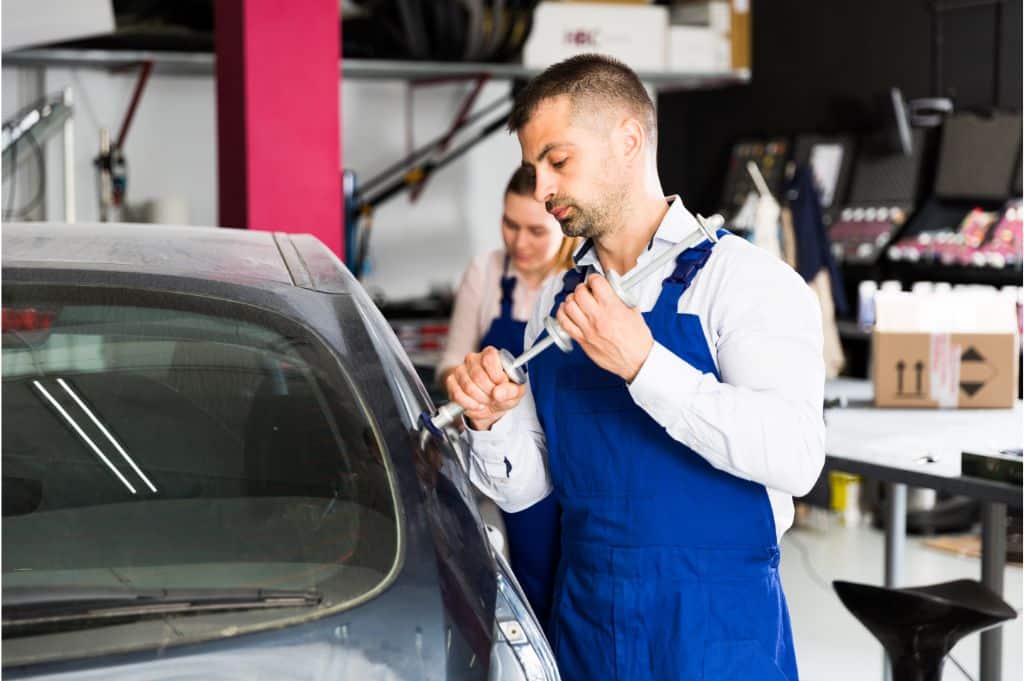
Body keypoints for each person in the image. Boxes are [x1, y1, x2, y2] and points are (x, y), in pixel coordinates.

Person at [444, 54, 825, 681]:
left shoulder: (746, 283)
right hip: (588, 621)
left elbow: (796, 457)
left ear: (628, 140)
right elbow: (530, 486)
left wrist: (645, 364)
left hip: (714, 629)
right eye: (533, 170)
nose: (542, 192)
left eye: (559, 162)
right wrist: (494, 423)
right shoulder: (555, 303)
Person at [437, 165, 576, 630]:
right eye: (509, 225)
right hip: (508, 461)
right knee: (523, 588)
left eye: (536, 230)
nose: (520, 242)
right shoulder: (488, 272)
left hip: (572, 466)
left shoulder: (580, 284)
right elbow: (452, 360)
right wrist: (477, 385)